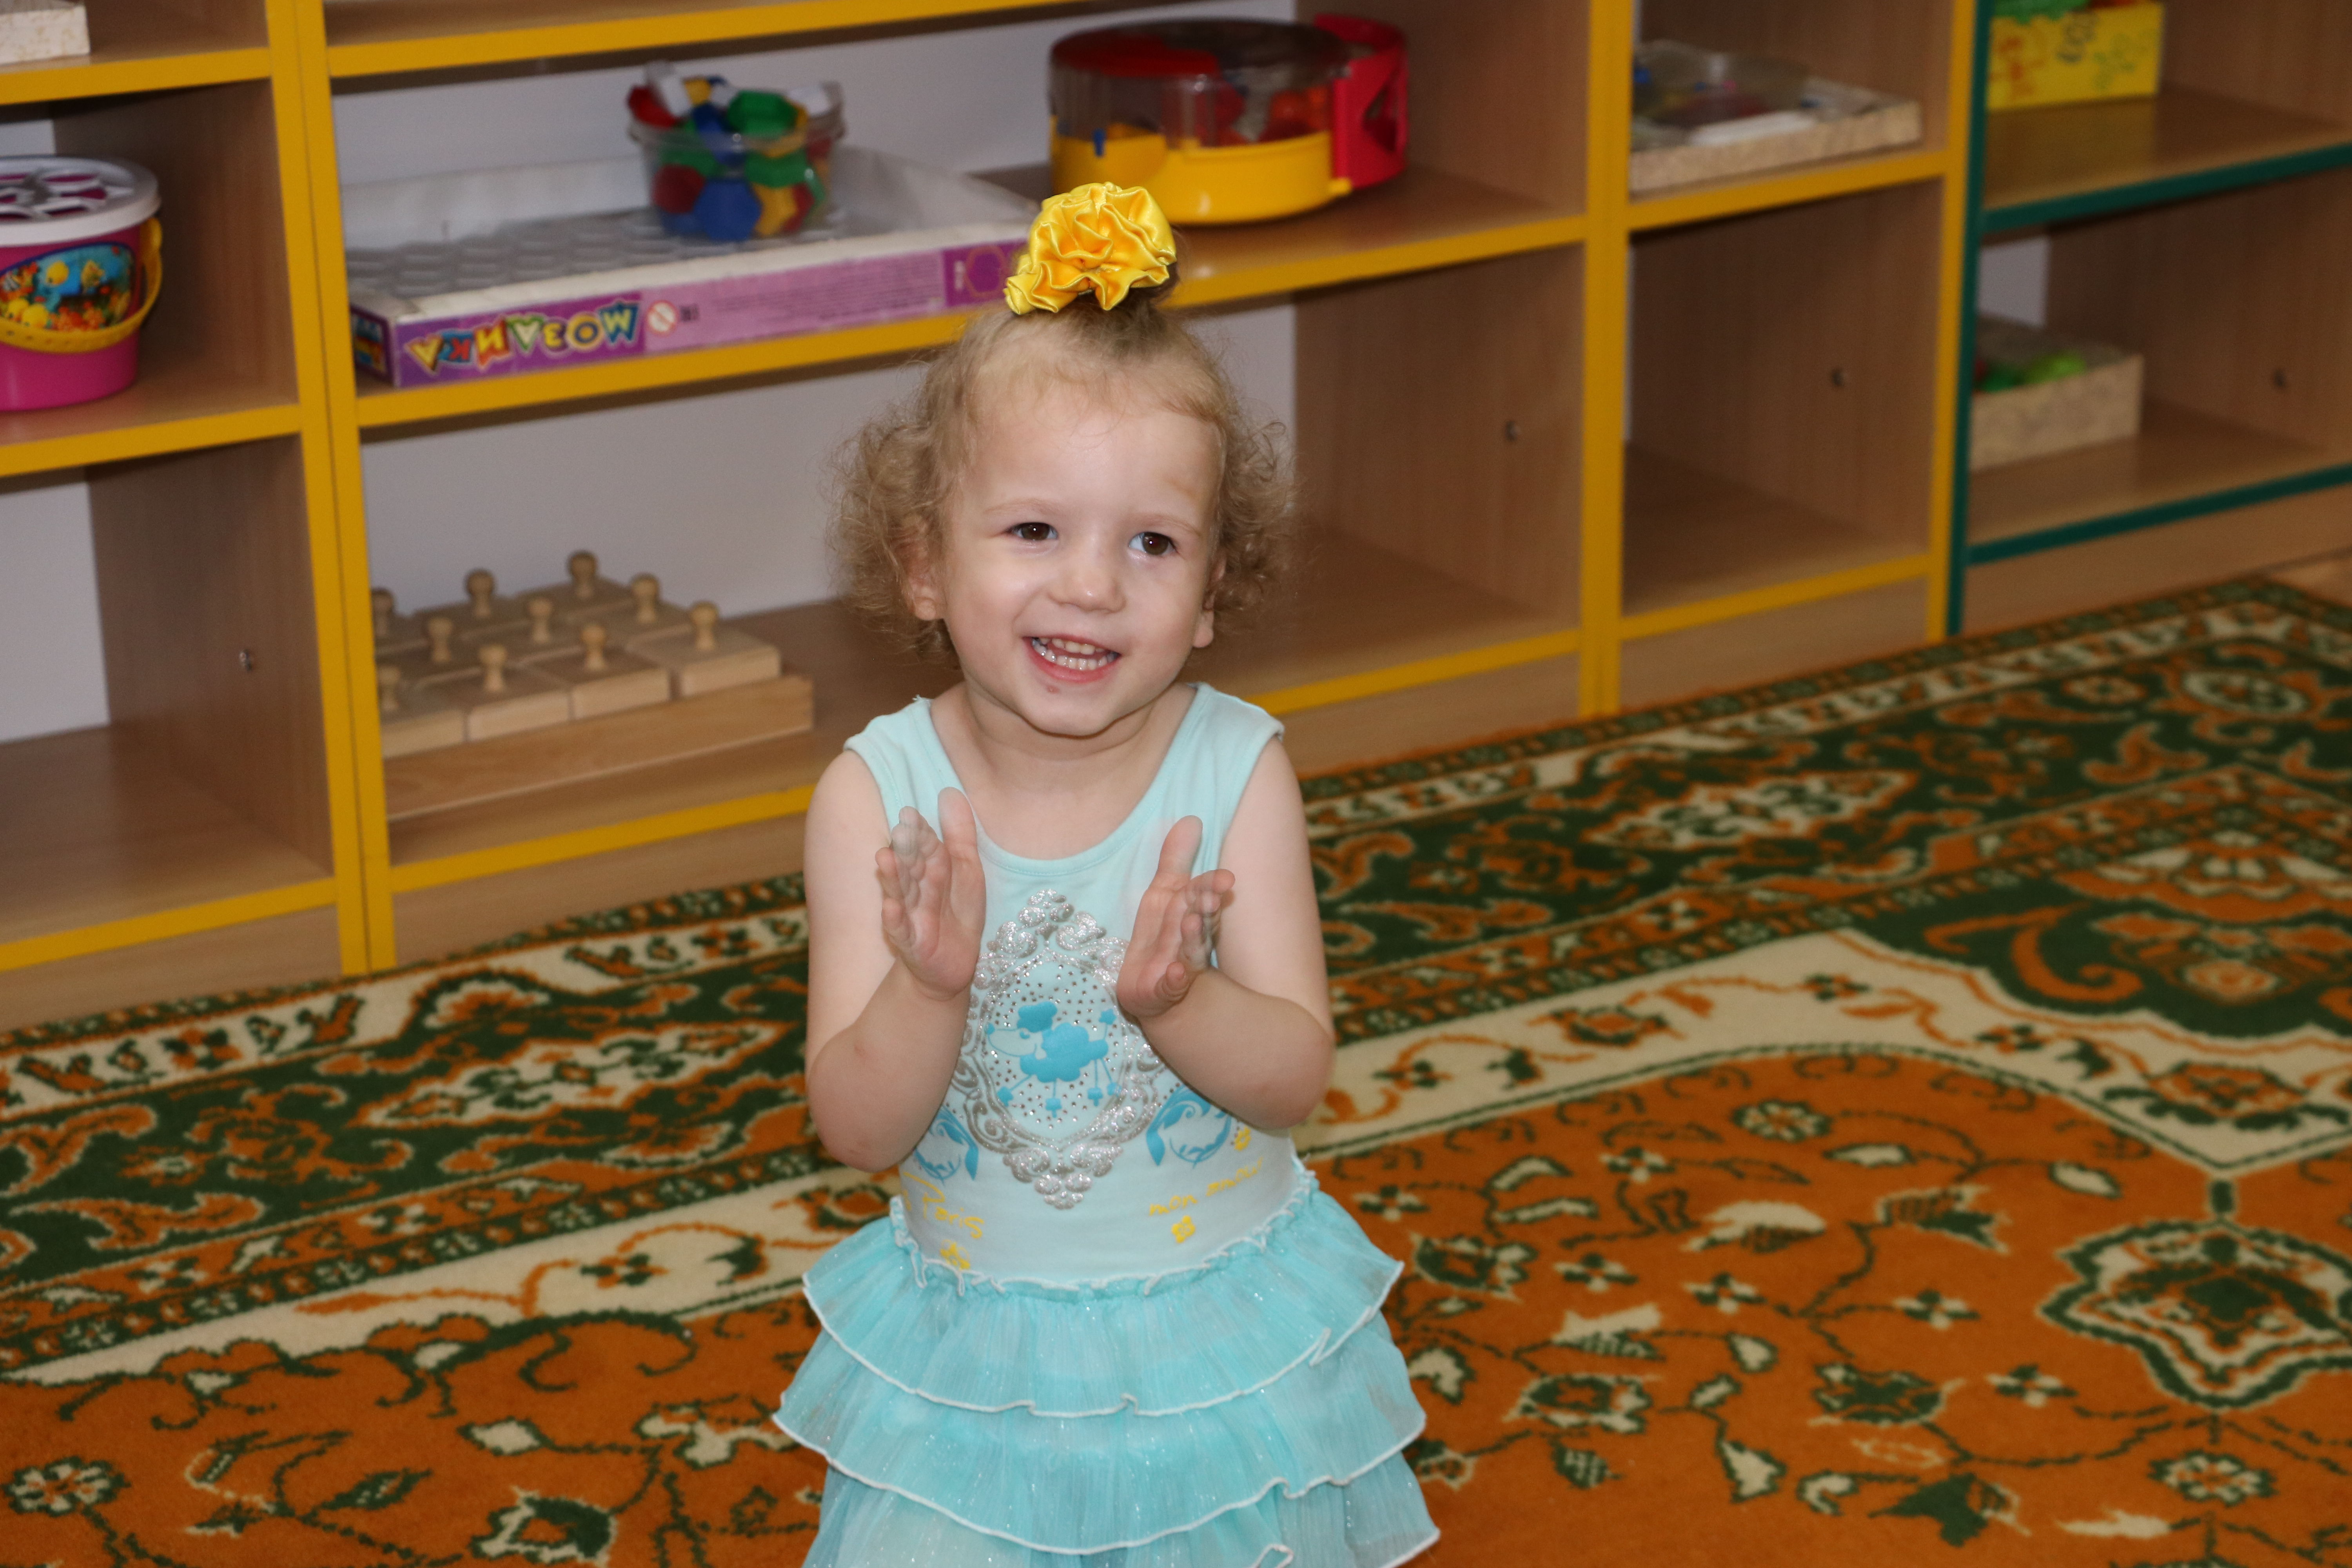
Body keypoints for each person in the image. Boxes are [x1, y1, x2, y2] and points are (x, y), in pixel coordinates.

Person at [774, 183, 1438, 1567]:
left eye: (1152, 542)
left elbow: (1294, 1078)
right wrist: (927, 987)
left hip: (1216, 1359)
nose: (1091, 586)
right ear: (923, 565)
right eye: (1034, 531)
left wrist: (1183, 1002)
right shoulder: (874, 801)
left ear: (1210, 595)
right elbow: (857, 1129)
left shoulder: (1237, 772)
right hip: (976, 1375)